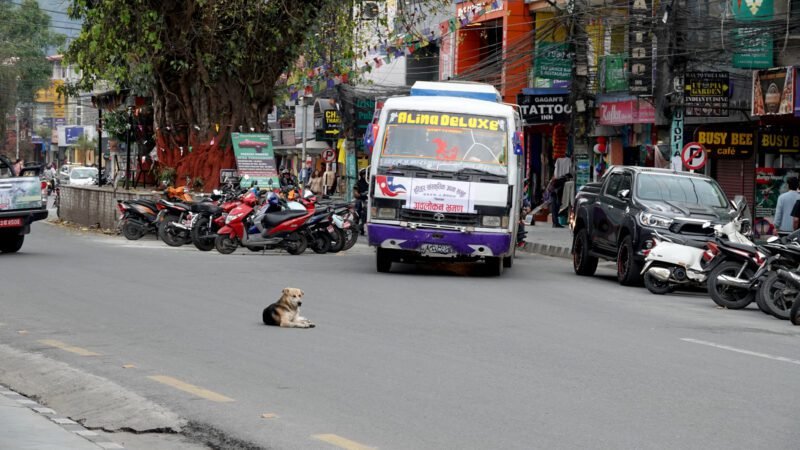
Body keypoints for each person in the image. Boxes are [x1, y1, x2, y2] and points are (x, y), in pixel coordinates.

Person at [353, 169, 369, 235]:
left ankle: (362, 227)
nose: (365, 176)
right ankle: (355, 227)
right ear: (361, 175)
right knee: (357, 213)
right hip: (360, 200)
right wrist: (362, 194)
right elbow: (355, 193)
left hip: (367, 200)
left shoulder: (369, 182)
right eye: (364, 174)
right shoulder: (358, 183)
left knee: (366, 215)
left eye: (366, 174)